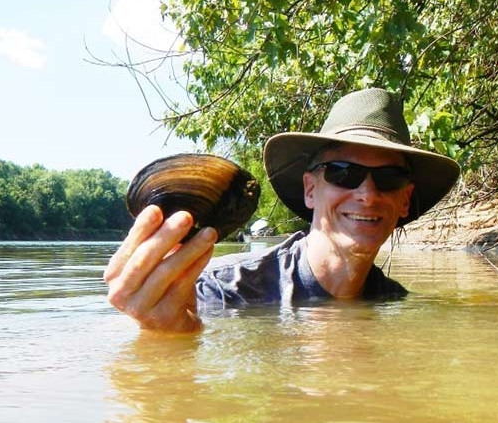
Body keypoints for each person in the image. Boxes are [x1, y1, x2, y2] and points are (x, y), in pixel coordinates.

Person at [104, 88, 460, 332]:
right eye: (344, 173)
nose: (367, 193)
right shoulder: (220, 290)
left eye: (389, 178)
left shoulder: (394, 300)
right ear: (310, 188)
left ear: (404, 199)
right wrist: (169, 335)